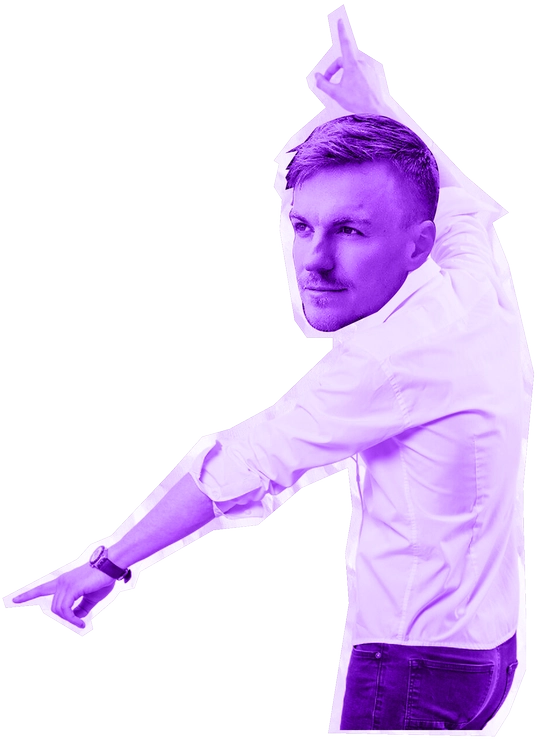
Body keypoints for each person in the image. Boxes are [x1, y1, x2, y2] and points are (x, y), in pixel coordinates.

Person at [11, 17, 531, 732]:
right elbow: (459, 202)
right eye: (304, 226)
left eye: (350, 230)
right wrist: (373, 102)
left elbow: (245, 462)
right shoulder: (476, 284)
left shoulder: (386, 360)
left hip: (413, 670)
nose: (314, 261)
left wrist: (107, 565)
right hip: (489, 655)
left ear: (417, 245)